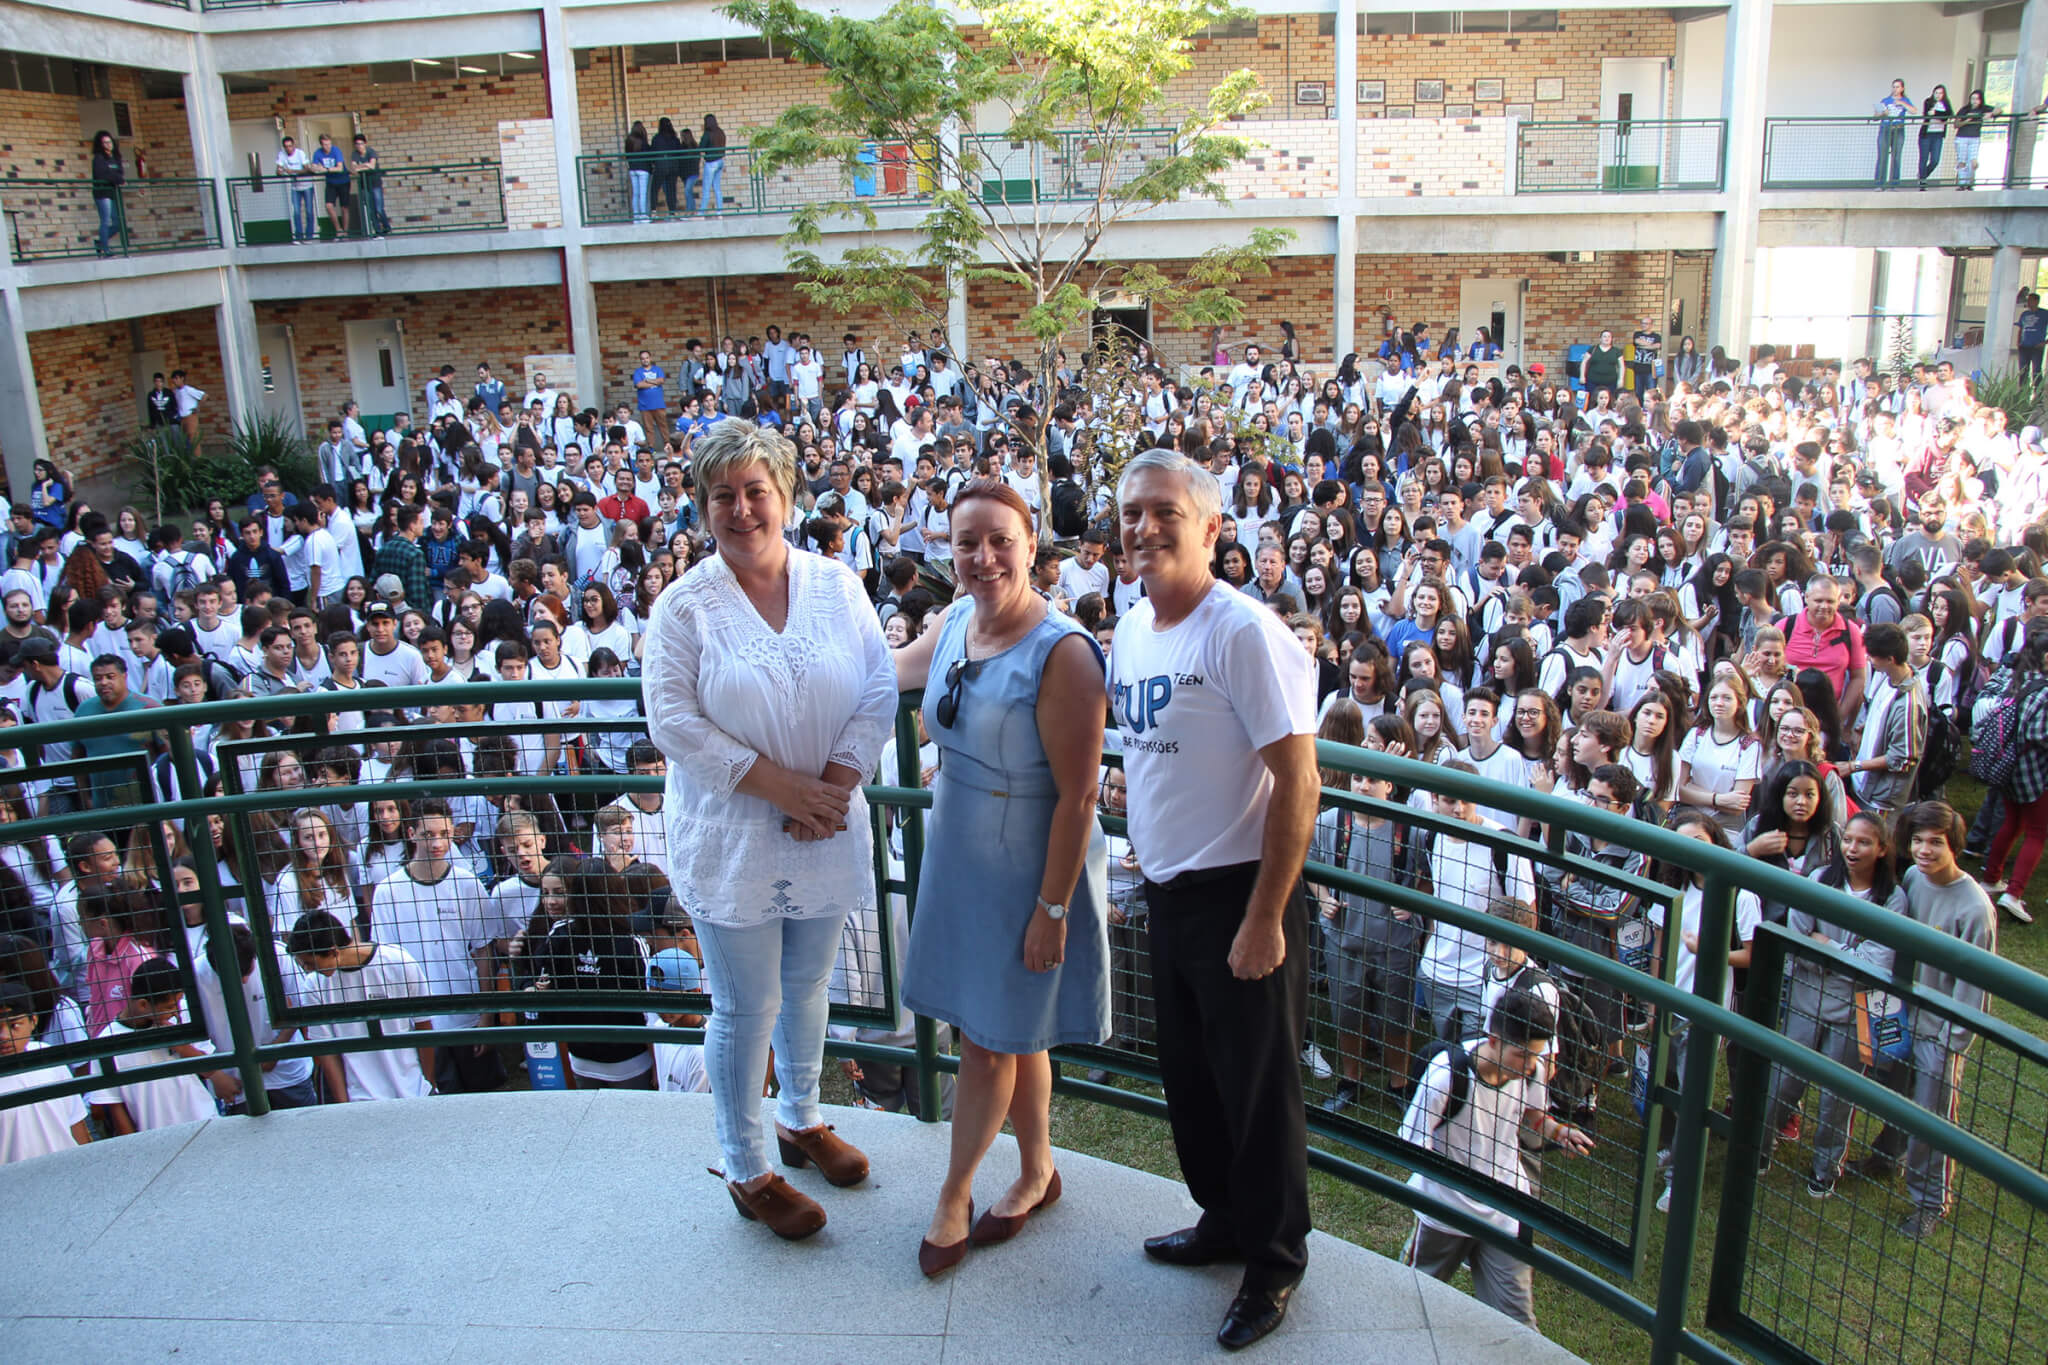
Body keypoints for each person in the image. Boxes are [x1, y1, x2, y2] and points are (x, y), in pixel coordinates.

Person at [640, 419, 895, 1240]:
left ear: (786, 496)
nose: (743, 508)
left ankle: (801, 1116)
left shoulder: (838, 584)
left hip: (825, 825)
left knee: (811, 981)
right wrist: (783, 786)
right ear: (702, 506)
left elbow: (879, 686)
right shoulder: (684, 607)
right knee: (745, 1004)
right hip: (734, 836)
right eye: (724, 495)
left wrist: (834, 789)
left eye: (757, 491)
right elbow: (671, 719)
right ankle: (745, 1163)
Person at [1109, 449, 1318, 1351]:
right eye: (1130, 514)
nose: (1145, 527)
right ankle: (1223, 1219)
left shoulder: (1240, 631)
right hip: (1165, 889)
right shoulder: (1130, 628)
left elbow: (1299, 782)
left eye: (1165, 511)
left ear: (1211, 527)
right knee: (1191, 1080)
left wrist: (1265, 915)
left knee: (1258, 1088)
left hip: (1240, 894)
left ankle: (1273, 1260)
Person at [891, 477, 1110, 1276]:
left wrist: (1051, 908)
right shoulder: (954, 620)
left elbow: (1081, 794)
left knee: (986, 1041)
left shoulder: (1064, 653)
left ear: (1031, 544)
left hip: (1030, 869)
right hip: (959, 852)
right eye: (966, 543)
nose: (983, 557)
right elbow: (891, 673)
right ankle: (1038, 1168)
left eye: (1000, 541)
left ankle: (954, 1195)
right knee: (1010, 1028)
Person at [1400, 987, 1592, 1330]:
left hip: (1505, 1210)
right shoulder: (1446, 1077)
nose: (1532, 1065)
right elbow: (1412, 1145)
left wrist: (1560, 1132)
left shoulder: (1531, 1071)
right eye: (1522, 1054)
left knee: (1519, 1322)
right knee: (1414, 1306)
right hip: (1444, 1214)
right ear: (1493, 1038)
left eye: (1536, 1055)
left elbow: (1534, 1116)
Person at [1874, 802, 1995, 1239]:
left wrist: (1951, 1042)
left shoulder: (1975, 909)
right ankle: (1888, 1151)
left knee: (1933, 1116)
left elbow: (1974, 988)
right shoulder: (1912, 879)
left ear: (1955, 846)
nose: (1924, 850)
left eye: (1935, 843)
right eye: (1918, 841)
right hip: (1903, 1013)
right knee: (1891, 1089)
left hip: (1940, 1031)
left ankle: (1930, 1202)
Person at [0, 980, 92, 1163]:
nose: (4, 1037)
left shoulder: (48, 1059)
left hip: (67, 1173)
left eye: (14, 1026)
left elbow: (77, 1123)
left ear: (33, 1021)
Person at [89, 130, 123, 257]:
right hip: (102, 193)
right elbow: (102, 174)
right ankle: (105, 249)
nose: (108, 144)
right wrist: (115, 178)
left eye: (109, 142)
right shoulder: (99, 158)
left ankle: (101, 242)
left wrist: (115, 177)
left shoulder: (115, 158)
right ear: (101, 145)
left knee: (117, 223)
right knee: (105, 221)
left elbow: (120, 174)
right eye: (105, 143)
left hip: (112, 192)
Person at [276, 135, 316, 243]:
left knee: (309, 211)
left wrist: (293, 171)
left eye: (290, 146)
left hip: (307, 186)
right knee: (296, 212)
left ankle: (309, 236)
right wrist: (280, 171)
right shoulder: (282, 154)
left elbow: (307, 169)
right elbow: (278, 170)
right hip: (295, 187)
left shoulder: (300, 153)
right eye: (286, 147)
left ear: (293, 145)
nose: (288, 148)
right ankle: (298, 236)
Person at [1874, 79, 1913, 188]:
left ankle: (1894, 183)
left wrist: (1902, 103)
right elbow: (1875, 117)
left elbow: (1914, 110)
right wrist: (1882, 113)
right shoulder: (1885, 100)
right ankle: (1879, 183)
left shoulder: (1905, 100)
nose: (1895, 89)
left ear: (1902, 88)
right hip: (1885, 128)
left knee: (1896, 157)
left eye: (1897, 87)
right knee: (1882, 156)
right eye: (1893, 87)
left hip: (1898, 129)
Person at [349, 134, 390, 236]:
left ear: (365, 144)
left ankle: (386, 227)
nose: (359, 146)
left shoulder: (371, 152)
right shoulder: (354, 154)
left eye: (361, 144)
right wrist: (365, 165)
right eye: (357, 144)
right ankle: (378, 231)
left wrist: (360, 167)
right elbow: (353, 169)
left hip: (375, 183)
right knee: (371, 210)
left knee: (379, 208)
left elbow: (371, 166)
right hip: (364, 185)